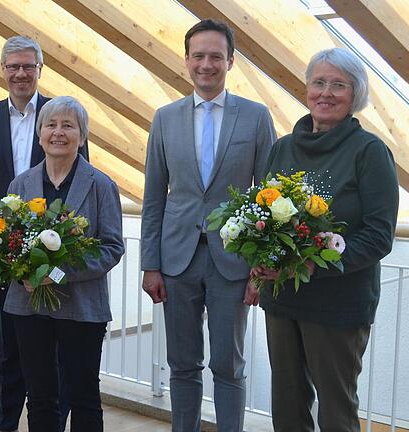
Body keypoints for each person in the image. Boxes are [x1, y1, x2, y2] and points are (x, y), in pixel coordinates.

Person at [252, 48, 399, 431]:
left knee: (336, 411)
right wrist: (258, 256)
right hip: (283, 298)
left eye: (339, 85)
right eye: (319, 82)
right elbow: (262, 217)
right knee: (286, 405)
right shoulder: (283, 147)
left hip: (339, 303)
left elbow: (379, 236)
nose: (326, 93)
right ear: (306, 89)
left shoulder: (370, 152)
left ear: (356, 95)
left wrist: (314, 262)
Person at [140, 19, 276, 432]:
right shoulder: (165, 118)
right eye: (198, 55)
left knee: (228, 364)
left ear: (230, 61)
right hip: (177, 259)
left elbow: (270, 199)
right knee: (182, 364)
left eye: (216, 56)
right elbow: (153, 197)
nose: (206, 64)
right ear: (186, 61)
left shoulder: (255, 117)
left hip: (234, 263)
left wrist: (263, 267)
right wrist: (151, 264)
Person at [0, 35, 88, 432]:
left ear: (40, 70)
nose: (20, 73)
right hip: (7, 253)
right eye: (13, 66)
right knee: (11, 346)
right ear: (2, 70)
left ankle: (54, 421)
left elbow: (82, 181)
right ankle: (6, 423)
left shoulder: (61, 115)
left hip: (56, 253)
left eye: (27, 66)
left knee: (55, 348)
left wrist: (66, 245)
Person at [3, 96, 125, 432]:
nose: (58, 132)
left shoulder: (101, 185)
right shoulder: (20, 185)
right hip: (28, 306)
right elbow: (7, 243)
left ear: (82, 137)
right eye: (51, 125)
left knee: (84, 396)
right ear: (39, 134)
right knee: (40, 397)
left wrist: (55, 274)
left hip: (83, 309)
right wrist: (22, 269)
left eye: (68, 125)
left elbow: (112, 247)